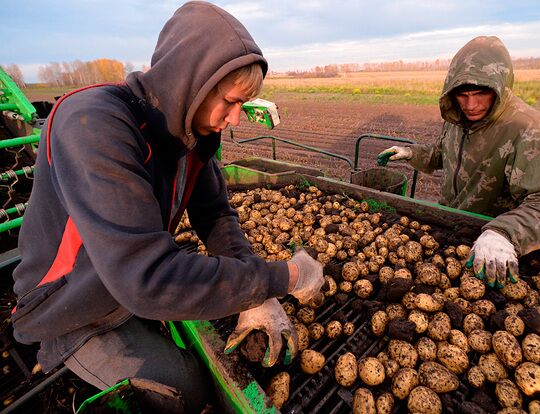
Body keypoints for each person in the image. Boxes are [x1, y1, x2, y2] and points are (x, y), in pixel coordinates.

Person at [11, 2, 323, 412]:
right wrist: (287, 276)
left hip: (127, 282)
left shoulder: (192, 130)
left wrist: (255, 294)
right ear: (190, 81)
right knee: (188, 392)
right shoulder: (93, 124)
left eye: (243, 105)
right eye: (229, 101)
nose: (234, 119)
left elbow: (215, 216)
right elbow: (148, 275)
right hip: (70, 304)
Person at [378, 36, 540, 288]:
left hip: (495, 247)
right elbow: (442, 153)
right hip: (452, 225)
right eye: (463, 95)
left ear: (500, 86)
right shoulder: (457, 117)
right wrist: (410, 153)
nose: (471, 105)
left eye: (482, 93)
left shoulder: (527, 128)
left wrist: (503, 233)